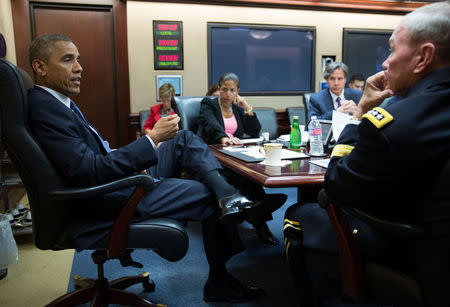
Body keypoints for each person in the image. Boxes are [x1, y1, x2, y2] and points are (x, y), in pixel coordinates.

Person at [27, 34, 268, 303]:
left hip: (116, 179)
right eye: (68, 59)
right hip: (109, 195)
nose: (79, 67)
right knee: (207, 193)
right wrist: (151, 139)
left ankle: (228, 193)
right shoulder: (45, 108)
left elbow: (89, 160)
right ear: (40, 67)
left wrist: (134, 155)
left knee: (182, 137)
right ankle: (220, 276)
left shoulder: (58, 103)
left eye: (78, 60)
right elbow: (89, 171)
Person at [285, 1, 450, 304]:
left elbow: (336, 183)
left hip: (409, 246)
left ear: (423, 57)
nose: (385, 63)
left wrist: (360, 112)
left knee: (298, 214)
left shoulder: (393, 124)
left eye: (391, 50)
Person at [198, 72, 287, 245]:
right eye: (224, 89)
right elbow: (210, 123)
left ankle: (254, 213)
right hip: (212, 154)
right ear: (219, 88)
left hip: (235, 154)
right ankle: (258, 217)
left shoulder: (237, 110)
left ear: (238, 91)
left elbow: (254, 132)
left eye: (232, 90)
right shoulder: (208, 104)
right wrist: (223, 137)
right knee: (245, 176)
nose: (228, 94)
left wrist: (247, 108)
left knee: (249, 173)